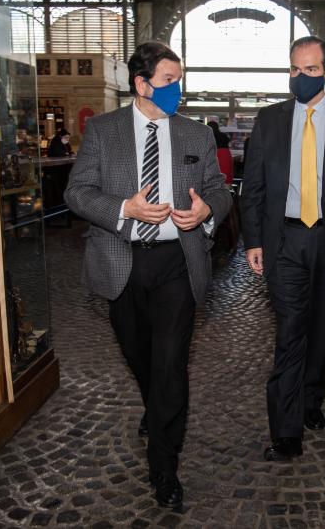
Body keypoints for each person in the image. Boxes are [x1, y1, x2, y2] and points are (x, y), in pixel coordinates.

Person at [64, 42, 232, 511]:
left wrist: (205, 212)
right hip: (122, 260)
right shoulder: (102, 131)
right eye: (168, 81)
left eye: (180, 80)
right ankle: (155, 405)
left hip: (178, 261)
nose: (177, 89)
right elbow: (76, 192)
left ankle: (164, 465)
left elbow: (220, 192)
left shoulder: (197, 134)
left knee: (171, 362)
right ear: (141, 85)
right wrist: (124, 208)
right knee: (141, 356)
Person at [240, 36, 325, 461]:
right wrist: (253, 241)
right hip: (285, 240)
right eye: (295, 70)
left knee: (322, 328)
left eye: (311, 70)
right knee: (291, 333)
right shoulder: (269, 121)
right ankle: (286, 431)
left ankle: (311, 399)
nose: (301, 77)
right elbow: (254, 187)